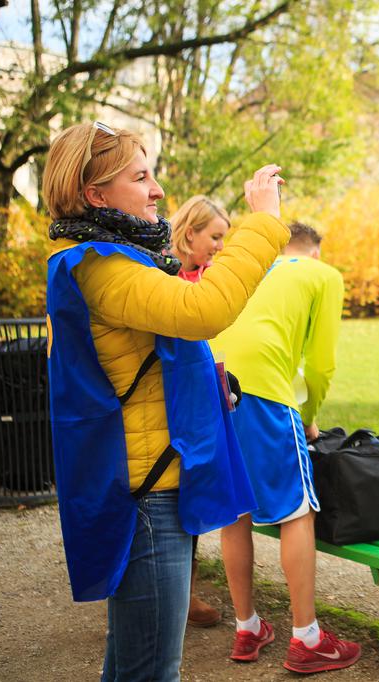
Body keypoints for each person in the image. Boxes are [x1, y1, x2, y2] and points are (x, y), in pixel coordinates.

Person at [43, 120, 289, 681]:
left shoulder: (117, 262)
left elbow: (140, 359)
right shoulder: (104, 267)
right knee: (151, 672)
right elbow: (204, 310)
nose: (157, 190)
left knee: (131, 666)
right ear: (95, 195)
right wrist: (265, 225)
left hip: (147, 486)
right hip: (148, 500)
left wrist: (204, 383)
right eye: (141, 176)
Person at [210, 222, 359, 674]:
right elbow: (321, 364)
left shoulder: (248, 266)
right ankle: (307, 638)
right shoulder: (322, 275)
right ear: (313, 252)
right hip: (265, 394)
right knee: (298, 511)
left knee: (237, 509)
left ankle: (247, 626)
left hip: (215, 386)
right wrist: (310, 416)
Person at [168, 194, 233, 627]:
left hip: (206, 395)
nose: (220, 246)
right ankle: (174, 596)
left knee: (190, 495)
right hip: (170, 404)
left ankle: (183, 594)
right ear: (189, 233)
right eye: (215, 236)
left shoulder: (211, 279)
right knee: (169, 496)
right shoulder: (163, 277)